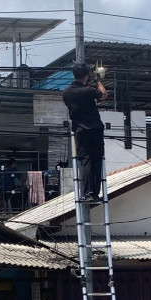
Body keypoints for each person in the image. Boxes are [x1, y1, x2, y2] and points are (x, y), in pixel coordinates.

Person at [62, 63, 108, 203]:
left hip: (80, 130)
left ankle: (87, 193)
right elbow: (104, 94)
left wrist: (88, 78)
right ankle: (94, 194)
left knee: (86, 161)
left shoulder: (67, 93)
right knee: (96, 161)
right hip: (94, 129)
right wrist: (97, 80)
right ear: (87, 75)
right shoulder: (88, 90)